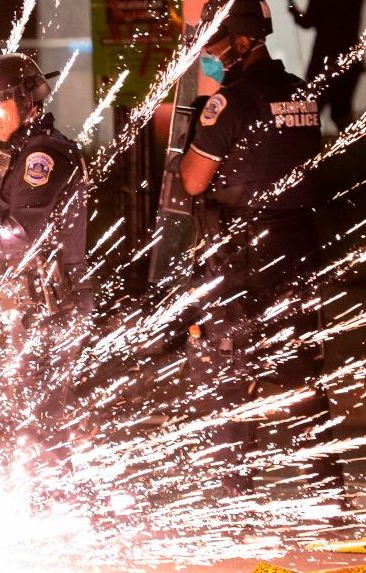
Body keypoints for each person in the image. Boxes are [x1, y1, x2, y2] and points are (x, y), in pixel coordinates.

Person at [180, 0, 344, 505]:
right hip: (296, 252)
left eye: (218, 42)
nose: (211, 53)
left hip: (241, 260)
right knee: (300, 372)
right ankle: (327, 491)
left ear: (244, 40)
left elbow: (192, 179)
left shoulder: (230, 102)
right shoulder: (300, 93)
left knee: (229, 373)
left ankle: (236, 498)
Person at [0, 53, 92, 452]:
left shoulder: (44, 155)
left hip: (53, 302)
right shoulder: (12, 153)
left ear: (26, 101)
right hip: (26, 301)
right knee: (25, 415)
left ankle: (63, 505)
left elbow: (21, 233)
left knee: (43, 421)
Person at [289, 0, 364, 131]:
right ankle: (352, 147)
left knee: (312, 110)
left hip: (324, 62)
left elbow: (307, 22)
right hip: (349, 61)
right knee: (342, 112)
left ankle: (306, 146)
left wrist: (292, 9)